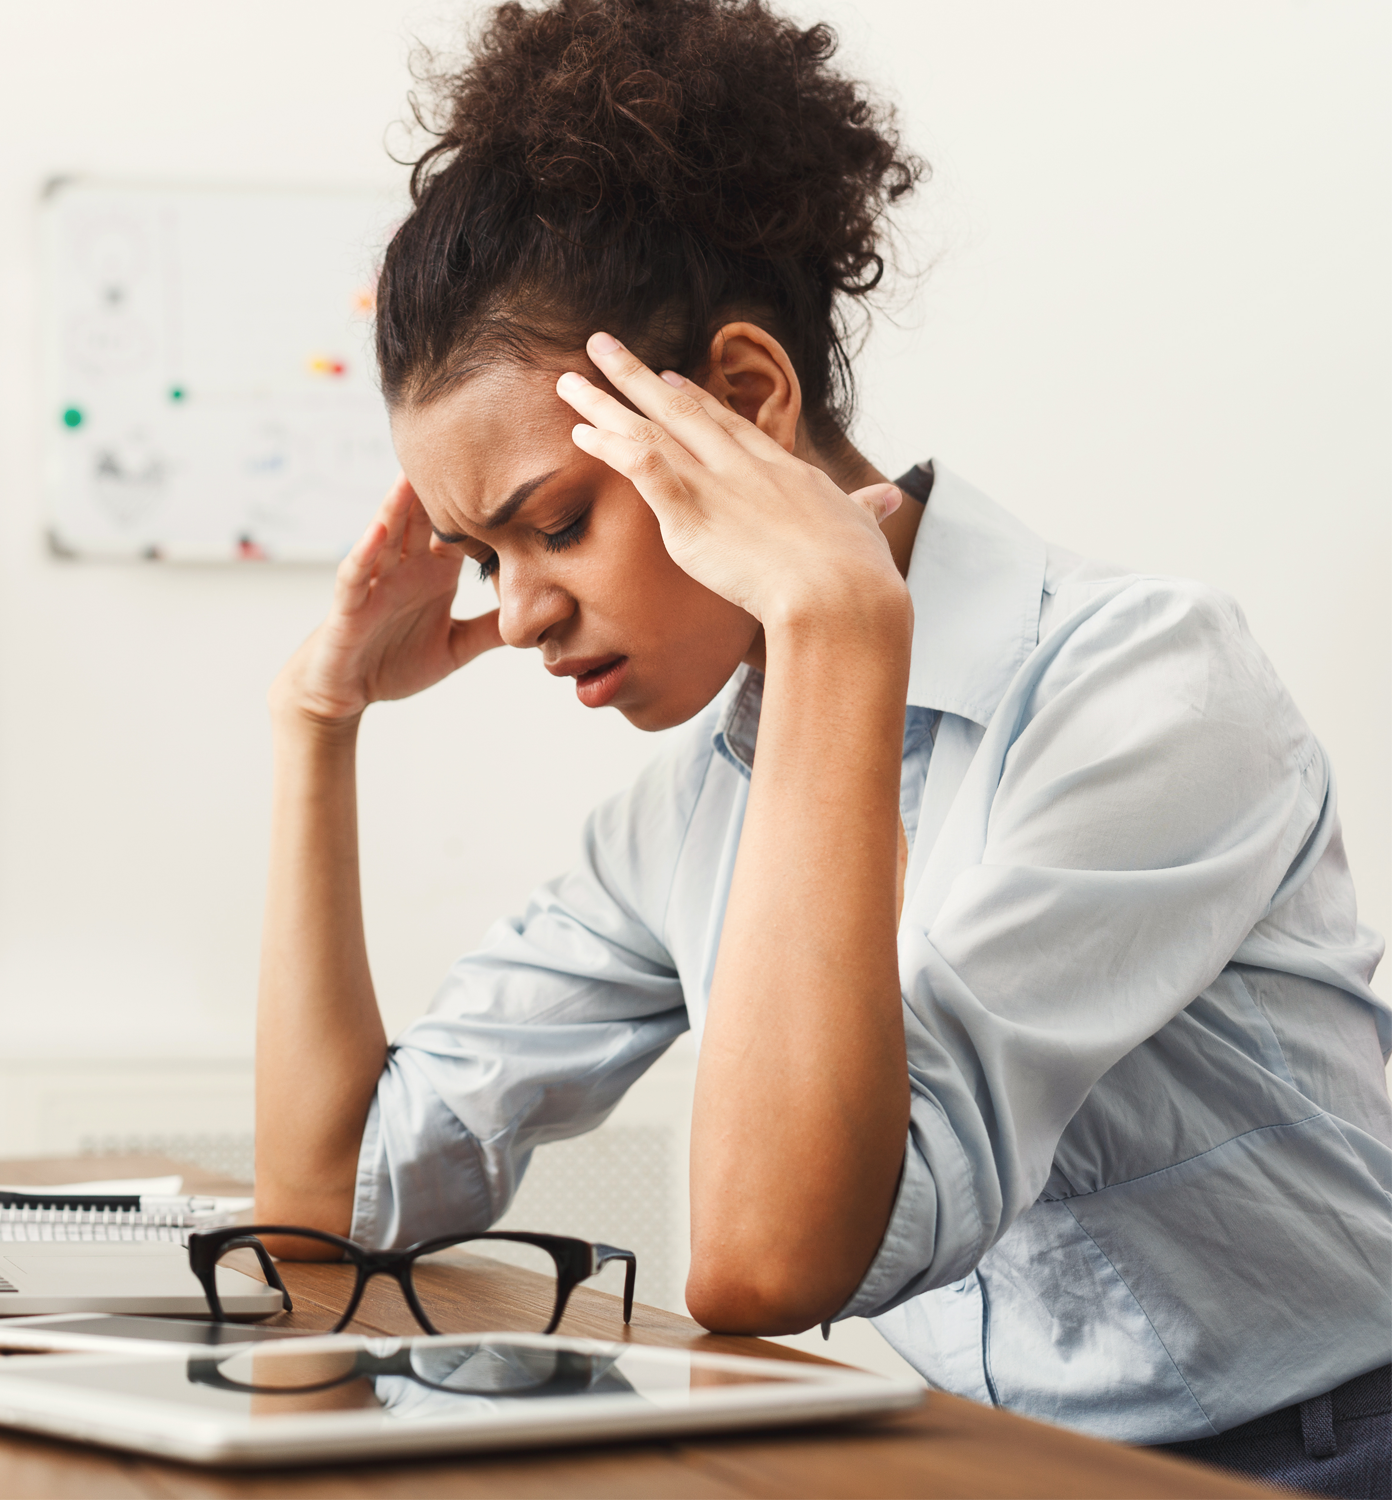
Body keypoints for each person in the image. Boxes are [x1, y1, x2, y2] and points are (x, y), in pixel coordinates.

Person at [250, 1, 1392, 1492]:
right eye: (478, 558)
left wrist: (835, 629)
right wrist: (314, 725)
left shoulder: (1145, 683)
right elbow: (322, 1213)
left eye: (553, 524)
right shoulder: (681, 815)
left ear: (741, 401)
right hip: (993, 1463)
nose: (519, 615)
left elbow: (766, 1264)